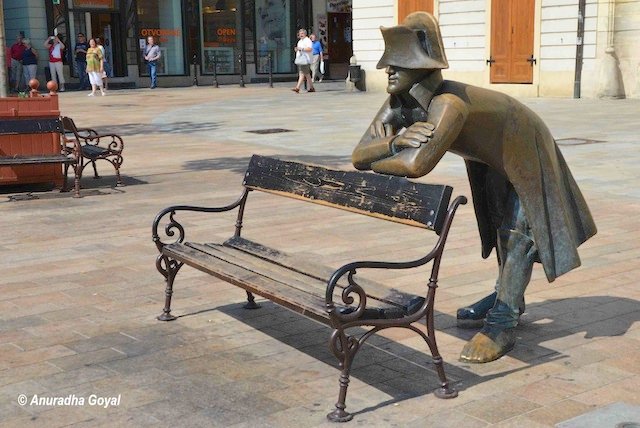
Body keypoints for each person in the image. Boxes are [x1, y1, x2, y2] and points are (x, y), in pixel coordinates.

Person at [352, 12, 597, 363]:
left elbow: (417, 165)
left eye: (397, 63)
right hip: (489, 155)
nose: (386, 69)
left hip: (524, 143)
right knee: (499, 221)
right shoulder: (398, 102)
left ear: (422, 68)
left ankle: (502, 322)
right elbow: (358, 155)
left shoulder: (448, 104)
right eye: (387, 62)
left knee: (517, 233)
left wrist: (395, 150)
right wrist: (395, 143)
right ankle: (507, 295)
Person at [292, 29, 314, 93]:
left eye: (302, 33)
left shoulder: (307, 40)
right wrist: (297, 49)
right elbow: (300, 49)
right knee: (307, 74)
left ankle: (297, 87)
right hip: (301, 60)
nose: (301, 35)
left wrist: (301, 49)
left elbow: (309, 49)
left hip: (306, 60)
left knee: (302, 73)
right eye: (300, 33)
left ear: (305, 34)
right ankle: (311, 87)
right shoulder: (300, 41)